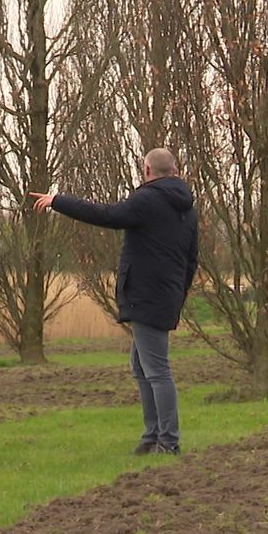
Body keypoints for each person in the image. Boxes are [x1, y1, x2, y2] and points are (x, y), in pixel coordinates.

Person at [30, 148, 199, 456]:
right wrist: (178, 293)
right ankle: (152, 436)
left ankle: (168, 441)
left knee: (157, 369)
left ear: (147, 170)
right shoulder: (186, 208)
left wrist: (58, 201)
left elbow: (107, 215)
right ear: (174, 169)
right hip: (165, 294)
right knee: (140, 365)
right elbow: (191, 259)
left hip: (147, 295)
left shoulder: (147, 199)